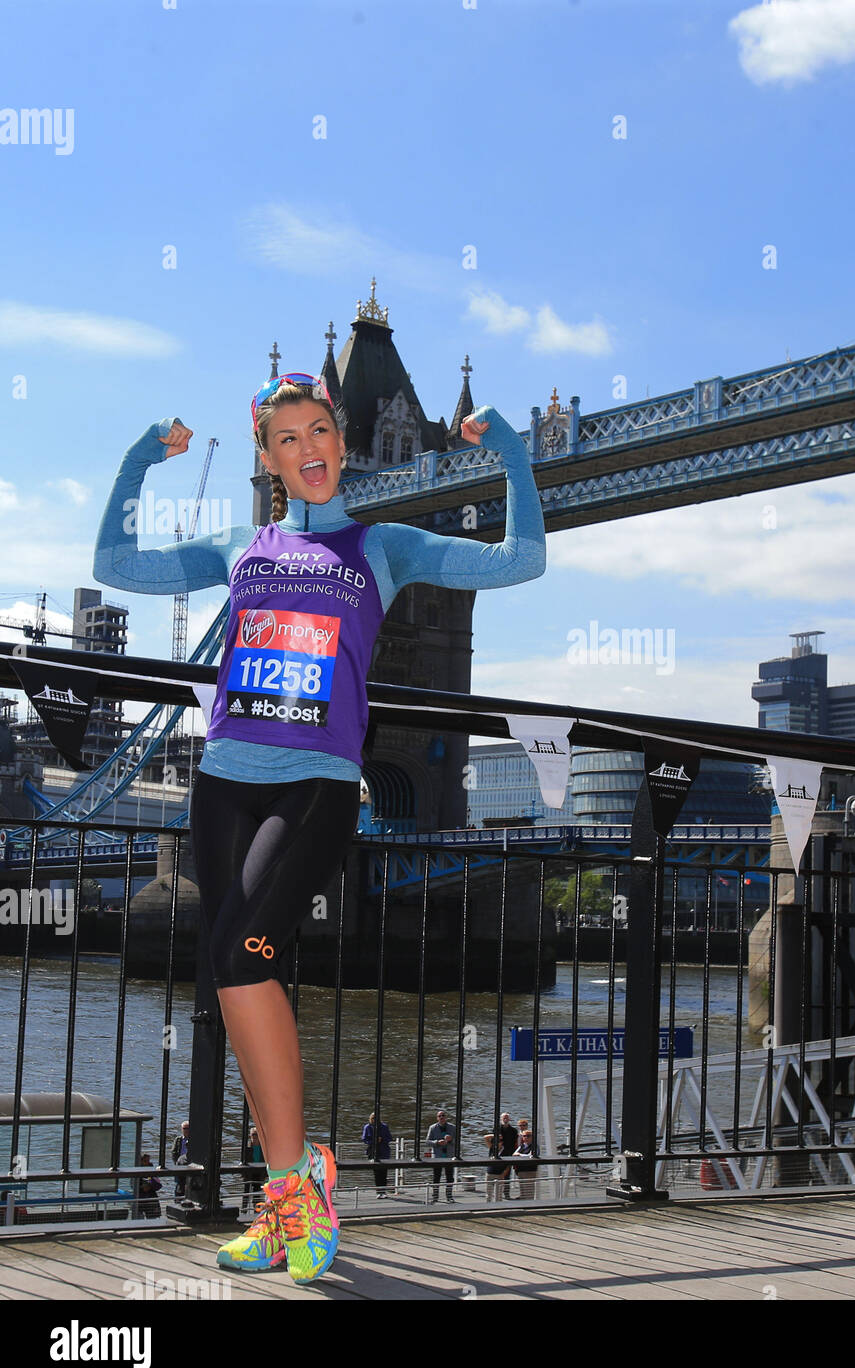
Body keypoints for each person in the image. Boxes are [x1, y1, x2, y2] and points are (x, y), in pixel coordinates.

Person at [94, 375, 545, 1283]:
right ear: (264, 458)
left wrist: (511, 456)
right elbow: (115, 564)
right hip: (222, 784)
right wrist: (140, 458)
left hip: (317, 784)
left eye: (322, 430)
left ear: (341, 441)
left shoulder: (383, 545)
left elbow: (519, 560)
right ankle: (286, 1192)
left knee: (243, 959)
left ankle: (301, 1183)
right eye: (287, 437)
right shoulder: (236, 546)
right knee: (231, 976)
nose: (308, 447)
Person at [425, 1110, 456, 1203]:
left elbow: (457, 1141)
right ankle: (435, 1196)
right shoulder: (433, 1128)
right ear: (437, 1118)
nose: (441, 1117)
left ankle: (449, 1196)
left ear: (446, 1117)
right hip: (437, 1156)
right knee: (436, 1177)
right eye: (439, 1116)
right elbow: (427, 1142)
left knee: (450, 1177)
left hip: (449, 1156)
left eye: (443, 1116)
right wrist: (437, 1142)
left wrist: (450, 1140)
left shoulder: (452, 1128)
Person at [363, 1112, 392, 1196]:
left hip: (384, 1152)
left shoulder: (384, 1127)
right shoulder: (368, 1127)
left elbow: (389, 1138)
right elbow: (365, 1139)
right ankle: (379, 1192)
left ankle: (383, 1191)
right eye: (373, 1118)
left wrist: (382, 1139)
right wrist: (374, 1141)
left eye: (376, 1118)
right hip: (373, 1152)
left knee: (384, 1172)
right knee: (376, 1172)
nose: (374, 1120)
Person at [513, 1122, 539, 1201]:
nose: (526, 1137)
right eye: (524, 1136)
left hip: (530, 1170)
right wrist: (519, 1154)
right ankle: (523, 1202)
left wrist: (520, 1155)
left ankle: (530, 1205)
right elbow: (514, 1154)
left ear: (532, 1137)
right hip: (521, 1170)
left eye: (528, 1136)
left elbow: (531, 1156)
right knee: (522, 1189)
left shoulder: (534, 1146)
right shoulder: (522, 1146)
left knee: (529, 1190)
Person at [496, 1112, 519, 1199]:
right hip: (498, 1155)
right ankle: (497, 1193)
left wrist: (512, 1155)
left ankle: (506, 1194)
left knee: (507, 1176)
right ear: (501, 1119)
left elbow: (514, 1144)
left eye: (507, 1118)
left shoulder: (513, 1131)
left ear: (509, 1119)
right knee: (497, 1175)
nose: (505, 1120)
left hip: (508, 1155)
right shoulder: (497, 1129)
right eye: (504, 1118)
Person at [243, 1126, 264, 1213]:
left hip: (258, 1173)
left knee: (257, 1192)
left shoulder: (263, 1148)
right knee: (246, 1192)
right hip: (249, 1173)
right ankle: (244, 1210)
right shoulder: (247, 1148)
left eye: (256, 1135)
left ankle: (256, 1211)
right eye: (253, 1135)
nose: (254, 1137)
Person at [483, 1134, 509, 1203]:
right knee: (488, 1194)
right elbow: (485, 1137)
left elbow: (508, 1164)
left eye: (500, 1141)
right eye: (496, 1141)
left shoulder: (506, 1151)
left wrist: (504, 1174)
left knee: (499, 1195)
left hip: (499, 1174)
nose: (498, 1143)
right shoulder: (492, 1148)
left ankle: (498, 1207)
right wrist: (495, 1135)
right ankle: (488, 1208)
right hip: (490, 1173)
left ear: (502, 1142)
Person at [136, 1153, 162, 1220]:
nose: (147, 1162)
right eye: (145, 1161)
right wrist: (142, 1187)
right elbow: (133, 1185)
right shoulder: (136, 1171)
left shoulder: (151, 1170)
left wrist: (150, 1182)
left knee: (152, 1218)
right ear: (141, 1161)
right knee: (139, 1217)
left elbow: (158, 1184)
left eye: (148, 1160)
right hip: (141, 1197)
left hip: (151, 1197)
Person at [171, 1120, 190, 1198]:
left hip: (189, 1164)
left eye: (188, 1128)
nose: (186, 1130)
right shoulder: (178, 1139)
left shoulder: (194, 1139)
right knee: (179, 1182)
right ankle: (178, 1197)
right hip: (180, 1164)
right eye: (184, 1128)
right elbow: (173, 1151)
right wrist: (177, 1162)